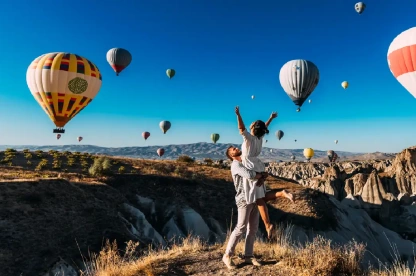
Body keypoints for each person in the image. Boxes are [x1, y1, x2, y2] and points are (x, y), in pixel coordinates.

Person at [235, 106, 294, 239]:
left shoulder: (249, 138)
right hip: (257, 165)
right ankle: (281, 194)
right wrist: (270, 119)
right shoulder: (260, 138)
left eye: (253, 123)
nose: (251, 124)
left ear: (253, 128)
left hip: (250, 167)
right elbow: (264, 127)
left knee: (258, 199)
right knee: (260, 196)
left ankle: (268, 225)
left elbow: (241, 128)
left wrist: (238, 114)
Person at [223, 145, 267, 270]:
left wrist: (262, 174)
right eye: (233, 149)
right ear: (231, 155)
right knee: (241, 227)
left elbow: (260, 171)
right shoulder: (235, 165)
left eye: (235, 147)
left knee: (253, 228)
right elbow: (249, 174)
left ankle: (248, 255)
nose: (236, 148)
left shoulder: (247, 162)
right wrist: (261, 175)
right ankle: (227, 255)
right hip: (243, 199)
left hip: (254, 197)